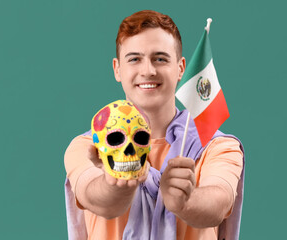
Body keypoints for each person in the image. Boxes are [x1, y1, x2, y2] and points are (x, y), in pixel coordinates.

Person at [64, 10, 244, 240]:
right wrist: (115, 185)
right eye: (134, 59)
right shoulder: (90, 145)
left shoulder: (218, 146)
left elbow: (219, 202)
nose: (148, 71)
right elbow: (95, 198)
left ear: (180, 68)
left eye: (160, 58)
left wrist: (186, 201)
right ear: (117, 69)